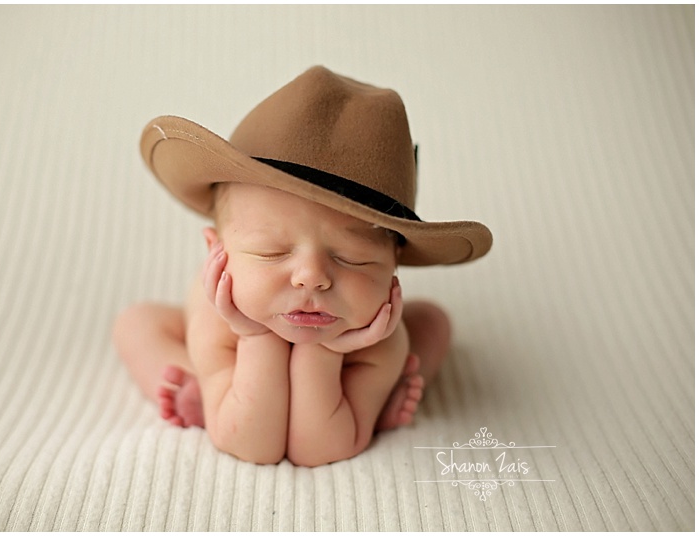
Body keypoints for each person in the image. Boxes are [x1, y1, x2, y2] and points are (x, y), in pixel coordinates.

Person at [113, 66, 492, 467]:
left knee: (432, 321)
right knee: (136, 324)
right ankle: (209, 392)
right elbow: (254, 446)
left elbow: (318, 449)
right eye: (272, 252)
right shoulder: (216, 322)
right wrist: (255, 337)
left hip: (353, 349)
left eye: (353, 258)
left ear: (393, 267)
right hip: (229, 338)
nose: (311, 277)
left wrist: (328, 351)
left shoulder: (380, 339)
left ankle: (369, 399)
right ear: (217, 253)